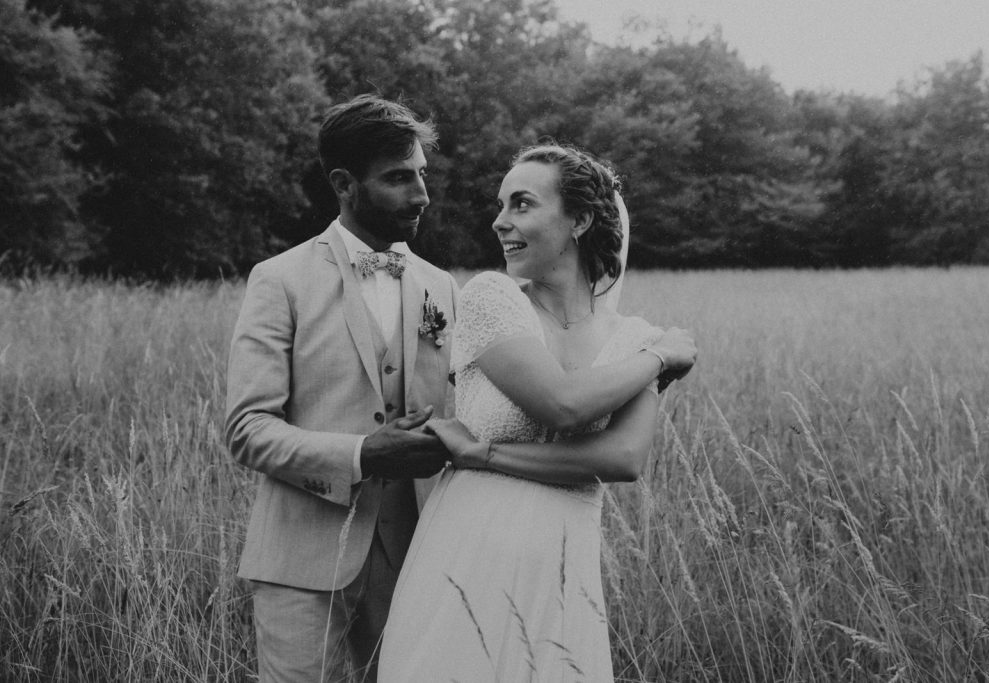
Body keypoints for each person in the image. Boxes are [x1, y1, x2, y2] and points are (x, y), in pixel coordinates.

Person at [378, 144, 698, 681]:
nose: (500, 222)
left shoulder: (633, 338)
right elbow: (562, 404)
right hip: (470, 546)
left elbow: (623, 458)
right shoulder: (492, 298)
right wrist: (662, 358)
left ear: (580, 220)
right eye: (501, 206)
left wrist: (482, 453)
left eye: (522, 204)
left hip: (564, 564)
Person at [224, 94, 458, 682]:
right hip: (302, 561)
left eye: (422, 175)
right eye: (399, 178)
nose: (421, 195)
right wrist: (361, 454)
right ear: (344, 183)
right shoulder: (279, 280)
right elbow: (248, 430)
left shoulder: (441, 287)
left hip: (414, 559)